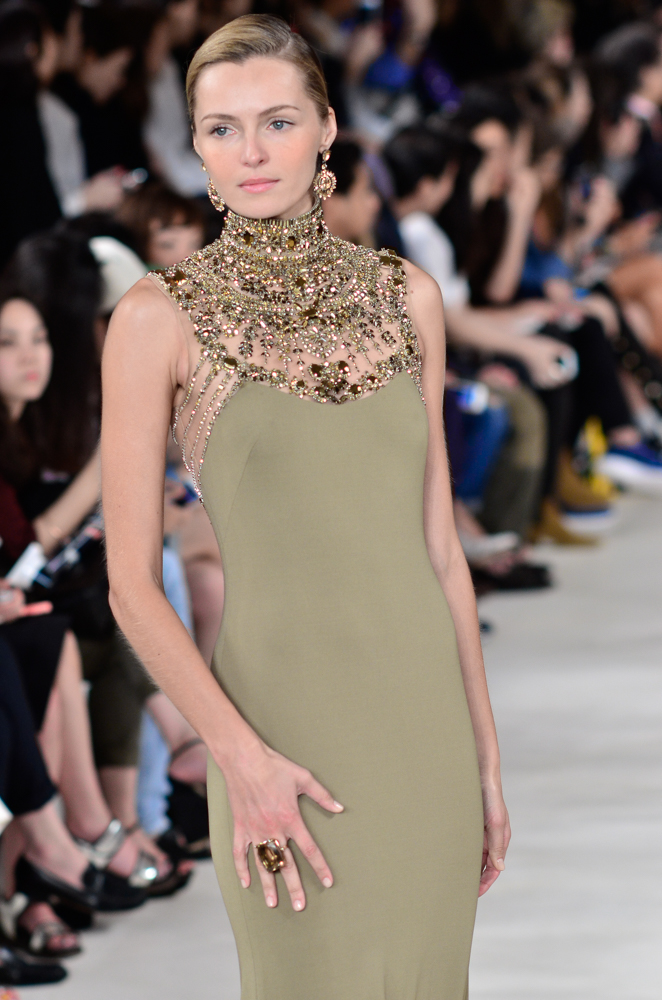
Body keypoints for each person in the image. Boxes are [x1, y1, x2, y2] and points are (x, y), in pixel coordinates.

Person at [101, 14, 509, 1000]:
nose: (250, 151)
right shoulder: (156, 318)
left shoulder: (407, 297)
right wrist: (237, 759)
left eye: (276, 121)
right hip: (274, 733)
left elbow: (439, 553)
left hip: (422, 729)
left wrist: (485, 761)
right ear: (196, 146)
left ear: (326, 128)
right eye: (222, 128)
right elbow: (130, 587)